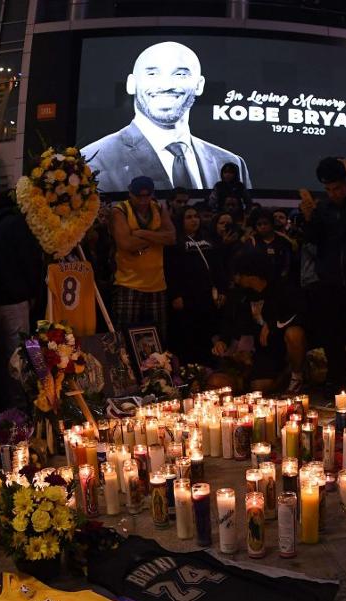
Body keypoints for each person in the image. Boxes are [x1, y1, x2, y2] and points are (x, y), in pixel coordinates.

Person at [81, 41, 250, 194]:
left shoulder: (230, 162)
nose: (166, 85)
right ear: (131, 84)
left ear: (199, 85)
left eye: (180, 74)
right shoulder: (93, 160)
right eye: (152, 74)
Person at [299, 157, 346, 396]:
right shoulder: (323, 209)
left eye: (338, 188)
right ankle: (337, 378)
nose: (334, 193)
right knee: (332, 335)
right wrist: (309, 217)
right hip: (329, 282)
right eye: (329, 189)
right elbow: (312, 239)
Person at [209, 247, 309, 394]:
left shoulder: (281, 288)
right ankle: (278, 378)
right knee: (255, 387)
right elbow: (229, 320)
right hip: (257, 351)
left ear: (250, 275)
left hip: (279, 346)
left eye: (239, 274)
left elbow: (297, 313)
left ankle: (295, 375)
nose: (236, 278)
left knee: (295, 334)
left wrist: (272, 324)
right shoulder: (240, 294)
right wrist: (222, 341)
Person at [0, 189, 46, 409]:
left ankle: (9, 407)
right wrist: (33, 291)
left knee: (5, 358)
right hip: (15, 298)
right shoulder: (17, 225)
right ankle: (21, 409)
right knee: (19, 358)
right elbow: (28, 260)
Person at [109, 175, 176, 342]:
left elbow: (172, 238)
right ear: (130, 194)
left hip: (157, 284)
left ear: (152, 194)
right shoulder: (120, 210)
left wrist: (141, 233)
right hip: (128, 284)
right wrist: (157, 236)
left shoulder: (159, 208)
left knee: (157, 339)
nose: (143, 200)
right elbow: (126, 244)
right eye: (139, 196)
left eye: (147, 195)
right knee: (124, 338)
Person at [164, 206, 224, 365]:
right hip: (187, 296)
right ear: (181, 221)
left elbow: (218, 266)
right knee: (189, 333)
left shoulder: (208, 238)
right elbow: (170, 269)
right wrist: (175, 294)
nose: (194, 220)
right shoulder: (175, 241)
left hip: (207, 295)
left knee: (208, 332)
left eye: (196, 216)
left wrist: (222, 289)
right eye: (189, 217)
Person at [247, 207, 293, 284]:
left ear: (271, 224)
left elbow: (287, 263)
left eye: (265, 223)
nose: (263, 227)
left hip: (280, 282)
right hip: (257, 283)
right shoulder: (251, 241)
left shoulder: (283, 240)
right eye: (259, 224)